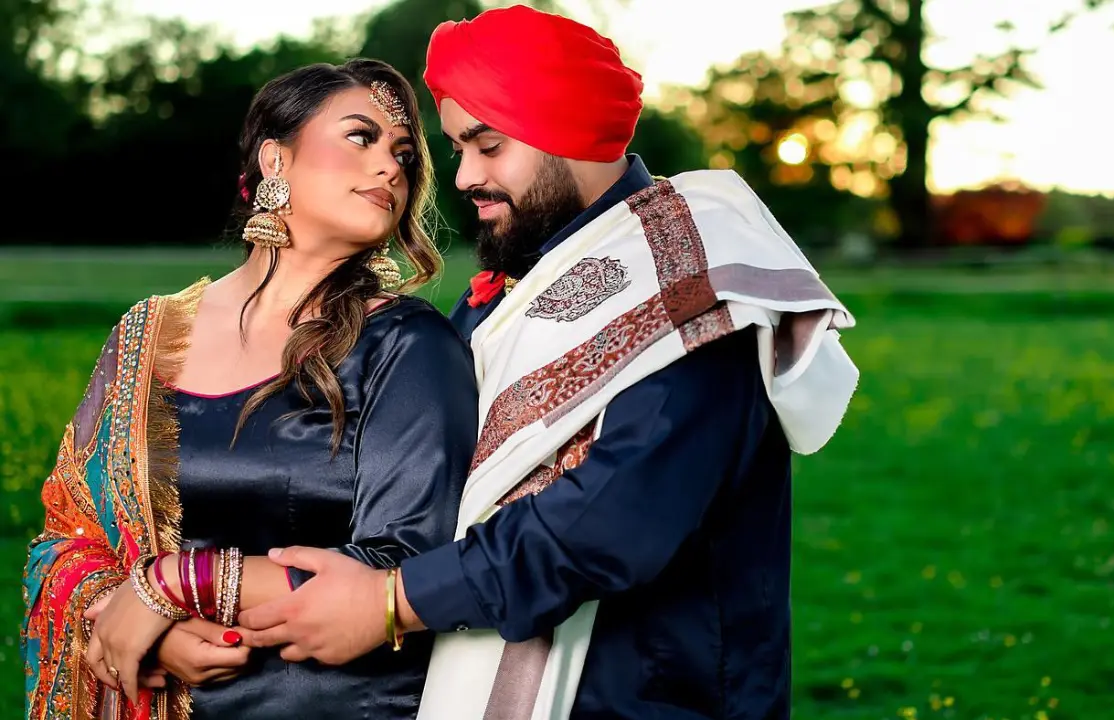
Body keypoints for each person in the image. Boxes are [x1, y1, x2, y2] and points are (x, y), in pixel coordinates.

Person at [237, 6, 860, 720]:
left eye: (489, 144)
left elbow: (610, 523)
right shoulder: (508, 289)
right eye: (456, 149)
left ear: (571, 134)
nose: (464, 176)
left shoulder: (683, 280)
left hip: (649, 698)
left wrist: (391, 601)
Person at [21, 59, 478, 720]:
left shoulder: (409, 346)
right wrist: (154, 632)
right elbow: (71, 532)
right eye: (360, 137)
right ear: (275, 160)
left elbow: (409, 563)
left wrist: (175, 587)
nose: (390, 167)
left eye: (404, 155)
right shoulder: (149, 333)